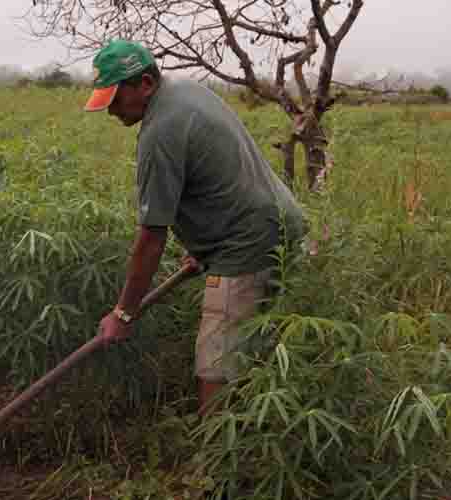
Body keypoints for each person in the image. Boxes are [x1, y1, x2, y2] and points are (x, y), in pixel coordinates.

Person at [85, 39, 306, 417]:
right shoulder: (185, 90)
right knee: (261, 346)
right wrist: (204, 248)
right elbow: (214, 172)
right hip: (282, 221)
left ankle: (218, 461)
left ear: (145, 84)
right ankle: (260, 435)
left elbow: (152, 237)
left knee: (216, 360)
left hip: (246, 242)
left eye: (116, 98)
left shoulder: (160, 132)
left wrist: (123, 313)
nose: (111, 111)